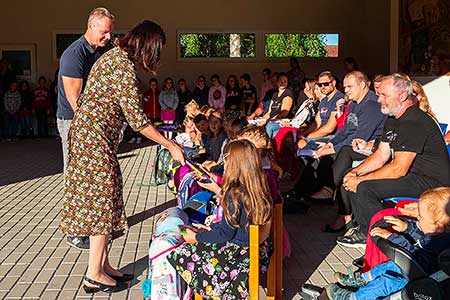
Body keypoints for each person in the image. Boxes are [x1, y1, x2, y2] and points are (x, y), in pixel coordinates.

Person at [59, 20, 185, 294]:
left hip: (94, 138)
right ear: (146, 46)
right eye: (157, 49)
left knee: (110, 196)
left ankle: (104, 266)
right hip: (93, 141)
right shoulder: (123, 68)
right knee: (102, 203)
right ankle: (94, 274)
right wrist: (171, 145)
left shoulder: (114, 57)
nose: (157, 56)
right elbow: (138, 121)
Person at [337, 74, 450, 248]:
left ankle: (381, 240)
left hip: (431, 182)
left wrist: (360, 179)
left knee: (364, 187)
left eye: (384, 95)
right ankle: (370, 236)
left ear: (403, 96)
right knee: (354, 180)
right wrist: (355, 173)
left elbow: (399, 168)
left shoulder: (414, 121)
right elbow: (381, 155)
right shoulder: (392, 119)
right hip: (413, 176)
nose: (379, 99)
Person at [168, 139, 272, 299]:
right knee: (202, 235)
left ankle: (208, 292)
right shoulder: (259, 185)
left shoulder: (234, 194)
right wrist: (209, 230)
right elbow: (236, 223)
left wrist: (195, 237)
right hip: (258, 250)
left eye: (226, 160)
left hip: (238, 258)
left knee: (180, 253)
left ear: (233, 164)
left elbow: (225, 235)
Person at [56, 7, 115, 250]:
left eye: (110, 33)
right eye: (104, 32)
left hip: (93, 123)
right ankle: (74, 231)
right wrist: (89, 130)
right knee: (76, 176)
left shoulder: (103, 51)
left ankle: (94, 227)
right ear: (91, 27)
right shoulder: (74, 54)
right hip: (74, 122)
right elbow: (74, 98)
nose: (108, 37)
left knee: (93, 178)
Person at [326, 187, 450, 300]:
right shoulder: (437, 234)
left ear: (438, 226)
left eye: (421, 217)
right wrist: (407, 228)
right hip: (417, 267)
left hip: (420, 276)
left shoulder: (436, 242)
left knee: (385, 283)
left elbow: (412, 253)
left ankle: (353, 298)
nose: (417, 218)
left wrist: (391, 236)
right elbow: (421, 237)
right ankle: (363, 279)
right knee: (390, 265)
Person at [259, 73, 294, 139]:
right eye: (280, 80)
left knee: (269, 126)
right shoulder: (274, 94)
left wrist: (270, 120)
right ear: (277, 82)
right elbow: (269, 112)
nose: (282, 83)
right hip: (271, 121)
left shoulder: (288, 93)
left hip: (280, 122)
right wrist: (262, 119)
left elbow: (284, 113)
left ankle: (266, 147)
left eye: (285, 81)